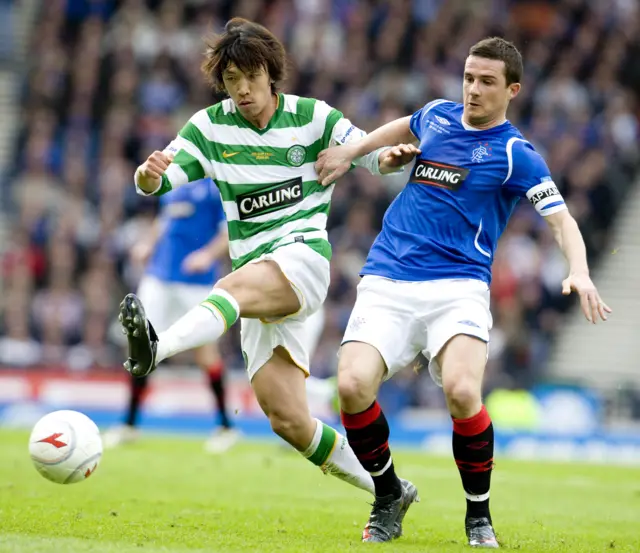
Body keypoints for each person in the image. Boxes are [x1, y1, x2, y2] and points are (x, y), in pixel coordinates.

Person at [118, 18, 419, 540]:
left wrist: (388, 158)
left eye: (250, 77)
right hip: (257, 275)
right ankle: (389, 489)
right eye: (231, 79)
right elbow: (160, 179)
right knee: (288, 420)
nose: (242, 90)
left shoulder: (312, 117)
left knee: (228, 287)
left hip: (302, 260)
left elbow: (367, 154)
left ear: (270, 73)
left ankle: (156, 349)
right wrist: (147, 176)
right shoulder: (211, 128)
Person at [315, 37, 611, 548]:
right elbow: (402, 126)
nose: (473, 90)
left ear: (512, 89)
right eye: (469, 78)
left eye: (487, 82)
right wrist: (356, 150)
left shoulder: (517, 154)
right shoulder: (437, 115)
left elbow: (561, 221)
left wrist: (580, 270)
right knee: (352, 386)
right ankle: (389, 495)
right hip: (389, 276)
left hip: (457, 286)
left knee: (463, 391)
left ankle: (478, 515)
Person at [105, 177, 239, 454]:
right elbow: (164, 220)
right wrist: (148, 245)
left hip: (196, 281)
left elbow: (229, 232)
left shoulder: (217, 186)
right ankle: (129, 424)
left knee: (205, 354)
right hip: (159, 277)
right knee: (140, 346)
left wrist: (207, 255)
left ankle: (226, 427)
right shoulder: (175, 182)